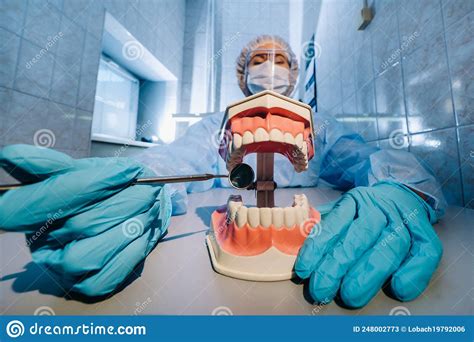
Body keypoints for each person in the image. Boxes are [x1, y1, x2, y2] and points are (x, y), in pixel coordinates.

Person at [0, 35, 445, 307]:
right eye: (257, 60)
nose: (269, 67)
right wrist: (142, 182)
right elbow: (175, 160)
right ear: (241, 75)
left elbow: (368, 161)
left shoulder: (319, 125)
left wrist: (404, 191)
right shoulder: (219, 124)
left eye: (279, 60)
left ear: (293, 73)